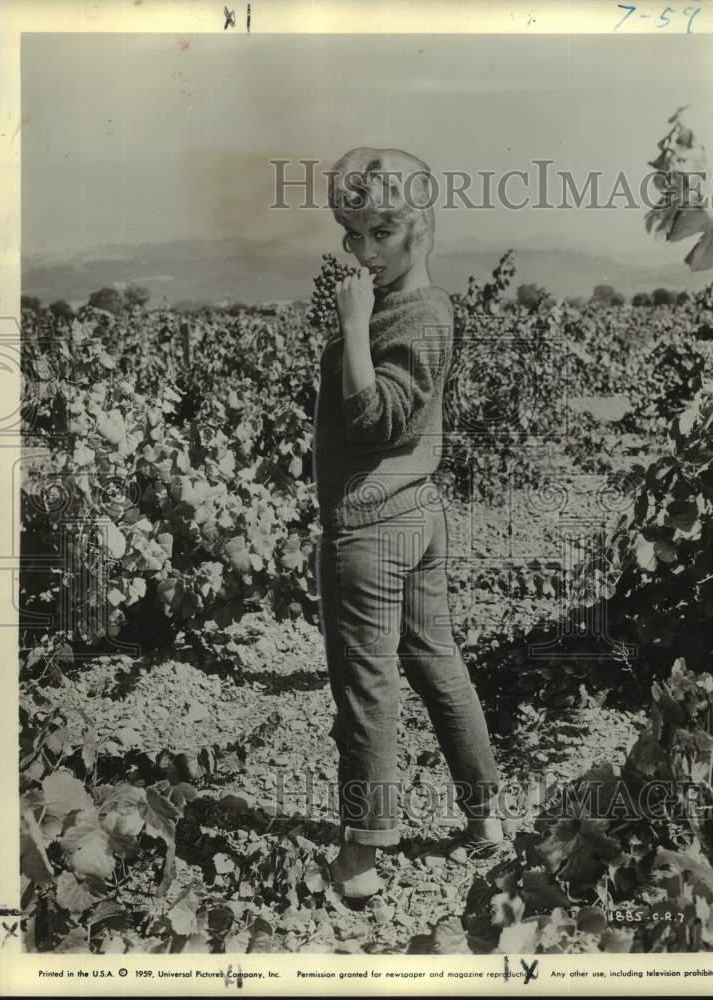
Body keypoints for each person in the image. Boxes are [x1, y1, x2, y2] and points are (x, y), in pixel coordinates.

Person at [313, 147, 503, 900]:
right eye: (348, 235)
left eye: (373, 235)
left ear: (415, 231)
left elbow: (373, 421)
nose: (357, 253)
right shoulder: (414, 306)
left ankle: (362, 859)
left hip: (370, 523)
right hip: (414, 515)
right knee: (435, 664)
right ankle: (484, 818)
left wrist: (354, 328)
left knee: (366, 689)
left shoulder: (416, 313)